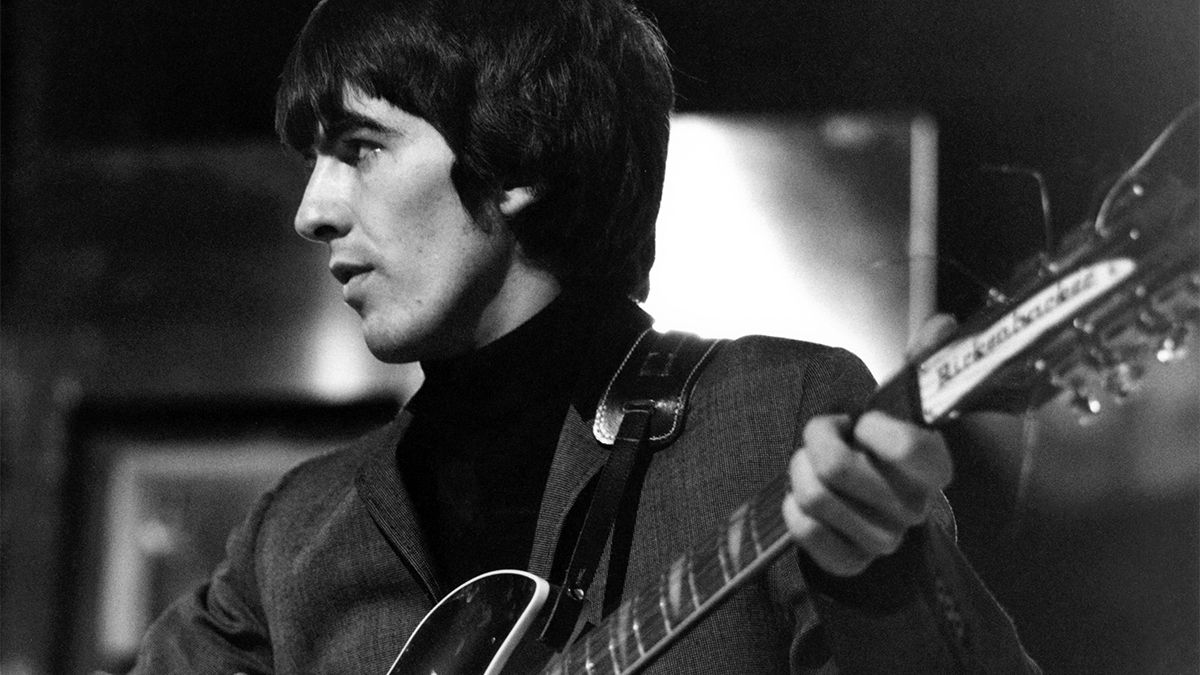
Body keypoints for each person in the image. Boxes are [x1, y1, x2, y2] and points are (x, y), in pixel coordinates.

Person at [132, 0, 1039, 672]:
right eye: (313, 163)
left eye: (361, 148)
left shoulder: (778, 420)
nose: (312, 212)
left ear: (517, 154)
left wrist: (879, 584)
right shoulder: (294, 533)